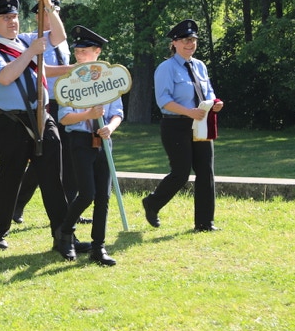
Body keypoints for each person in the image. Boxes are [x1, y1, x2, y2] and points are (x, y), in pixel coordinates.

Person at [0, 0, 72, 257]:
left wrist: (48, 6)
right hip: (12, 122)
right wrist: (30, 52)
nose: (12, 21)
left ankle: (63, 236)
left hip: (42, 116)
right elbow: (5, 77)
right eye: (6, 18)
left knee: (53, 178)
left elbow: (59, 36)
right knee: (11, 178)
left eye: (15, 17)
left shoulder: (26, 40)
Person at [142, 19, 225, 232]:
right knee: (181, 173)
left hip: (201, 123)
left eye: (193, 40)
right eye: (185, 40)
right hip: (176, 125)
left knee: (206, 171)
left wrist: (215, 103)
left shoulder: (200, 66)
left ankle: (205, 223)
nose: (190, 44)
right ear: (174, 43)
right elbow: (163, 101)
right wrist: (188, 112)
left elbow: (209, 92)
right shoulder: (166, 68)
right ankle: (152, 203)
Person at [56, 26, 123, 265]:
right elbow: (64, 118)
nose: (79, 55)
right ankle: (65, 233)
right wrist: (88, 115)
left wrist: (110, 128)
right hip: (80, 141)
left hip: (103, 140)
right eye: (77, 51)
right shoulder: (69, 82)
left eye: (84, 51)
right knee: (86, 194)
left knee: (103, 196)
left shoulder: (109, 79)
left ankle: (98, 247)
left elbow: (117, 113)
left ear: (97, 52)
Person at [12, 0, 78, 224]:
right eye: (47, 12)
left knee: (68, 156)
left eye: (55, 11)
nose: (52, 15)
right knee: (43, 157)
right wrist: (72, 69)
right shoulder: (29, 40)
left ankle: (71, 208)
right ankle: (17, 204)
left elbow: (61, 39)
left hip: (66, 102)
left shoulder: (62, 43)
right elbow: (42, 70)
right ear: (37, 16)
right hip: (48, 105)